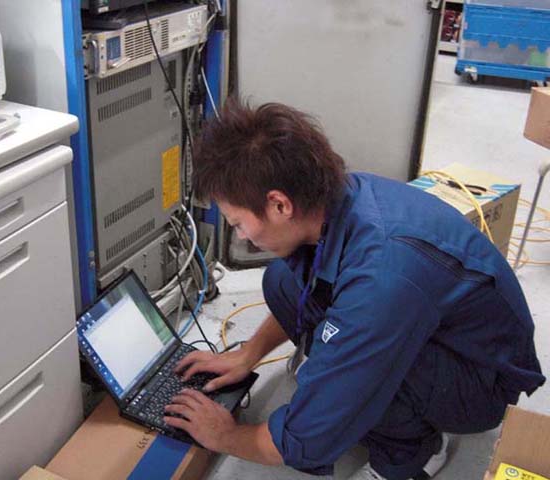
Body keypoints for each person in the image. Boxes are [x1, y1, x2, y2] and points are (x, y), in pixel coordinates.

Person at [163, 99, 545, 480]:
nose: (240, 236)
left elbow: (302, 441)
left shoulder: (381, 278)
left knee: (359, 377)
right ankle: (348, 377)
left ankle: (413, 454)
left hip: (480, 382)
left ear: (279, 205)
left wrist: (226, 436)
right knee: (281, 279)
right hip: (432, 323)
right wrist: (247, 355)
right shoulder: (340, 196)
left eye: (238, 223)